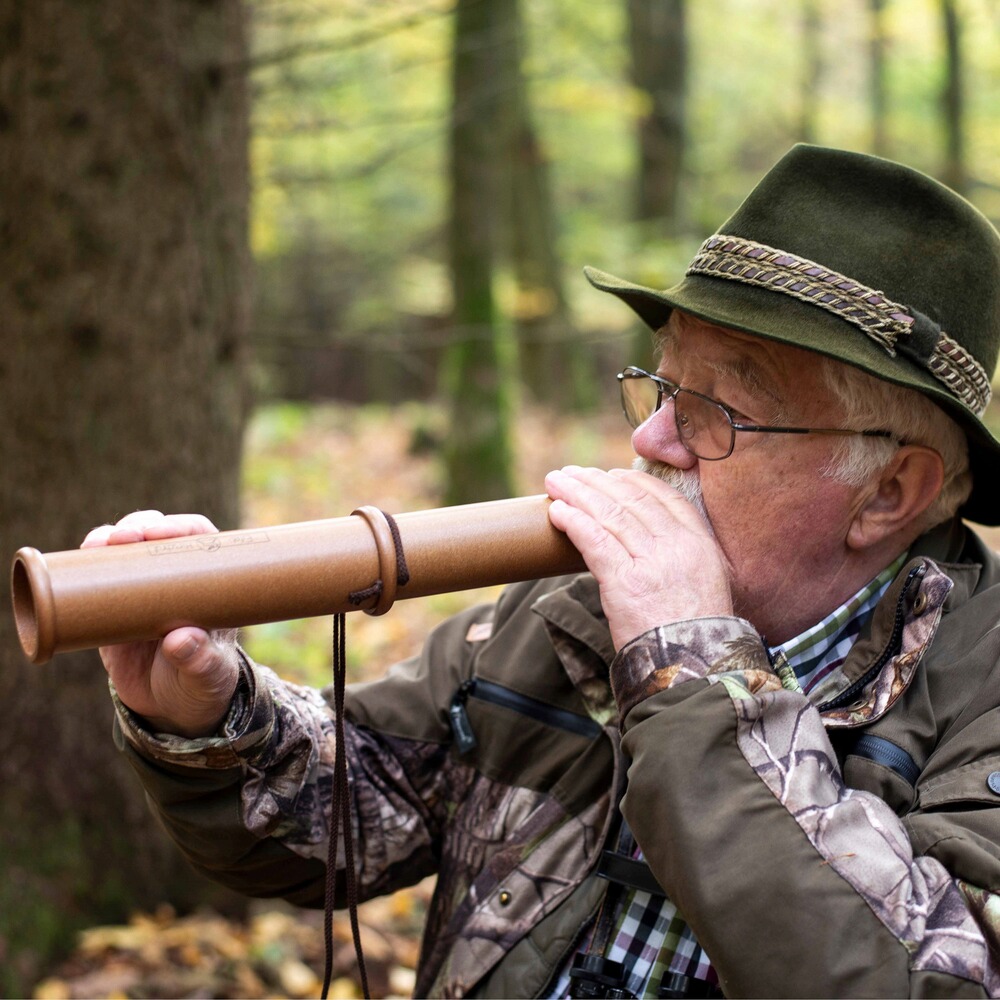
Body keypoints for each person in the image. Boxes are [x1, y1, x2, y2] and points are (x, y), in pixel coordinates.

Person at [86, 145, 1000, 998]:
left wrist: (692, 669)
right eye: (661, 386)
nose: (649, 440)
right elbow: (367, 803)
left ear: (888, 491)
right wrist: (209, 714)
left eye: (717, 411)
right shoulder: (570, 610)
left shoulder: (981, 693)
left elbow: (924, 977)